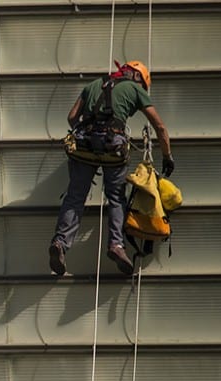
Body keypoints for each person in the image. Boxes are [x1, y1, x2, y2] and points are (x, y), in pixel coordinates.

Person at [49, 60, 174, 275]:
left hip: (83, 147)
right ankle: (116, 245)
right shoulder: (135, 89)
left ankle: (60, 243)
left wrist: (89, 134)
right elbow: (159, 126)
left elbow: (72, 117)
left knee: (75, 197)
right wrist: (167, 156)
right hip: (112, 149)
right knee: (116, 197)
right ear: (137, 77)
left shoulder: (94, 84)